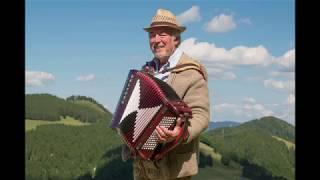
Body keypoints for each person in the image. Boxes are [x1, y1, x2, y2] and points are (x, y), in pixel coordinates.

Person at [122, 8, 210, 180]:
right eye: (152, 35)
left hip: (173, 169)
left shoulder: (191, 73)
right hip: (143, 166)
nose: (156, 40)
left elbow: (201, 115)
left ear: (176, 38)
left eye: (162, 34)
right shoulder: (146, 71)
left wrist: (180, 133)